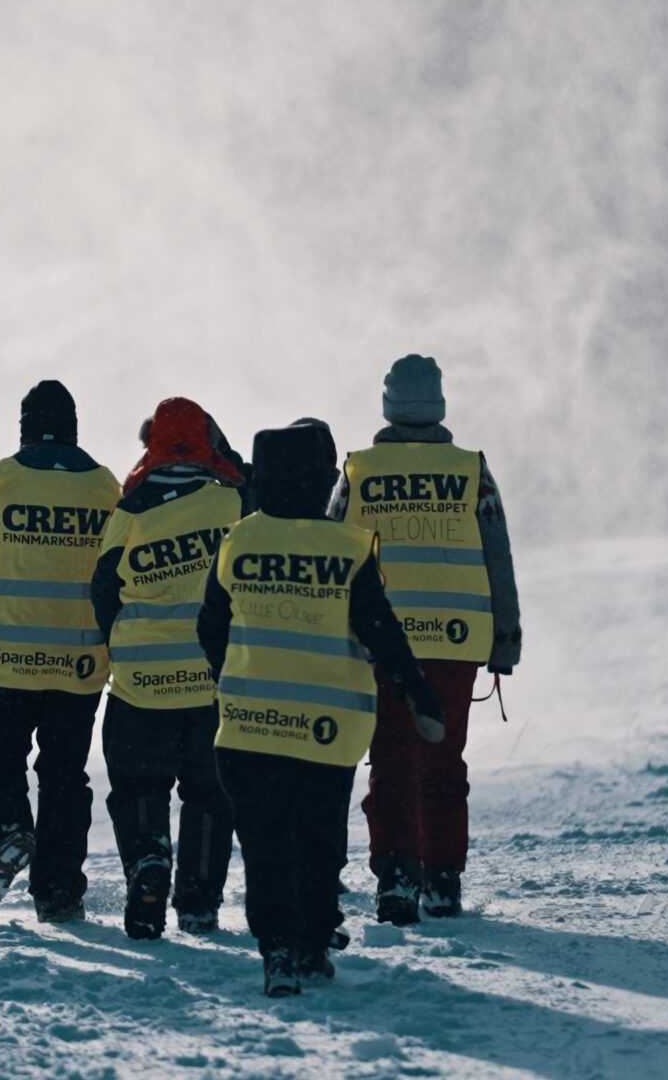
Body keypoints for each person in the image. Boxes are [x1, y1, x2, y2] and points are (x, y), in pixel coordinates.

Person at [201, 421, 444, 996]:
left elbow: (210, 625)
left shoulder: (238, 541)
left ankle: (278, 952)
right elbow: (382, 633)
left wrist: (231, 679)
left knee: (265, 848)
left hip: (248, 729)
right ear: (322, 480)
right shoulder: (347, 548)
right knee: (315, 844)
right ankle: (310, 946)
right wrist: (421, 696)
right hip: (324, 734)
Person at [332, 354, 524, 924]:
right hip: (456, 641)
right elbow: (498, 556)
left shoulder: (359, 470)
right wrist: (505, 639)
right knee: (445, 759)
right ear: (439, 403)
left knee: (389, 755)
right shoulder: (472, 470)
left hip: (382, 643)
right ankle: (442, 879)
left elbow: (334, 551)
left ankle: (395, 875)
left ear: (388, 403)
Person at [0, 379, 119, 921]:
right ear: (75, 427)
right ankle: (58, 891)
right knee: (64, 776)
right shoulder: (107, 488)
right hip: (79, 665)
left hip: (3, 661)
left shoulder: (0, 482)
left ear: (25, 428)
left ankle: (10, 832)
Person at [89, 397, 247, 939]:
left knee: (138, 786)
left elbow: (103, 589)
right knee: (209, 792)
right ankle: (199, 901)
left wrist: (122, 641)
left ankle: (149, 862)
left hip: (139, 683)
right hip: (212, 682)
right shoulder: (232, 505)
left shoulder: (129, 513)